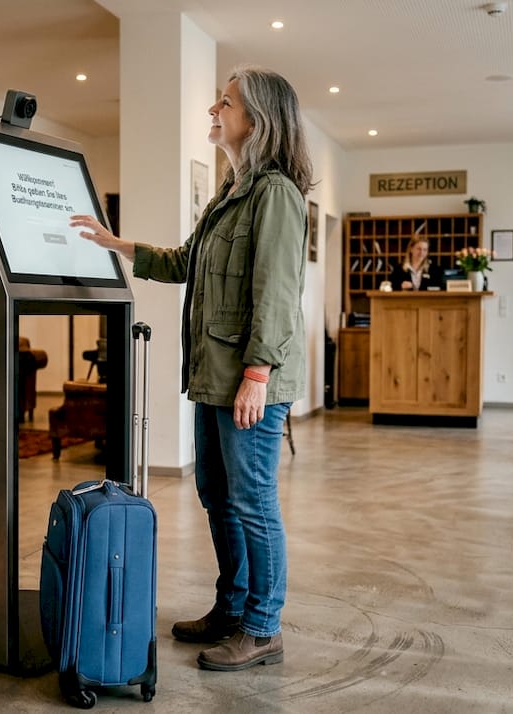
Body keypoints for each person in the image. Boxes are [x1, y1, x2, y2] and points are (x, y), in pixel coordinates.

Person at [69, 66, 309, 672]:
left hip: (249, 381)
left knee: (252, 501)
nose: (213, 110)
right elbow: (184, 263)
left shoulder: (275, 192)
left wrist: (257, 374)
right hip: (211, 376)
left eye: (223, 103)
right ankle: (231, 609)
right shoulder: (231, 192)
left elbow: (276, 292)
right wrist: (117, 244)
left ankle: (263, 626)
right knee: (218, 495)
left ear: (255, 119)